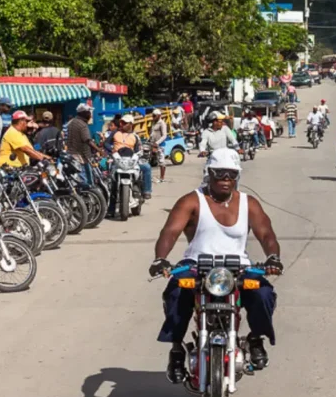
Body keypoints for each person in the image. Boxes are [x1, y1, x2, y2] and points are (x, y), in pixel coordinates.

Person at [149, 148, 283, 382]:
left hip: (238, 267)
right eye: (219, 173)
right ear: (208, 172)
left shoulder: (248, 204)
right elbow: (169, 232)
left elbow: (267, 234)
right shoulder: (192, 201)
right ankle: (177, 349)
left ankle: (255, 338)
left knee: (263, 294)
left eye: (231, 174)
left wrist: (273, 257)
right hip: (196, 264)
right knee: (177, 292)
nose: (225, 179)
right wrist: (160, 259)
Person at [105, 114, 153, 202]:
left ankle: (147, 191)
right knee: (112, 180)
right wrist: (112, 149)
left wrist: (139, 154)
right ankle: (111, 207)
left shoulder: (135, 136)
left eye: (124, 123)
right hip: (117, 161)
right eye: (121, 122)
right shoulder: (115, 133)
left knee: (146, 167)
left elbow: (138, 150)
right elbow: (106, 143)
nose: (121, 124)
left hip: (130, 161)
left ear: (130, 124)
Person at [67, 103, 102, 186]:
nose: (90, 114)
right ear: (84, 113)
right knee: (85, 180)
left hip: (72, 155)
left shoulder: (72, 122)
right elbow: (88, 140)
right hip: (82, 156)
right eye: (89, 112)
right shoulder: (82, 125)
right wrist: (99, 150)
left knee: (77, 179)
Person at [150, 109, 168, 184]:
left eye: (154, 116)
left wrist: (157, 143)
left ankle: (162, 177)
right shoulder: (153, 122)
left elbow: (164, 136)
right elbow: (152, 133)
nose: (153, 117)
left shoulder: (162, 123)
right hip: (152, 144)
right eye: (152, 115)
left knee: (161, 161)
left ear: (159, 116)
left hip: (160, 145)